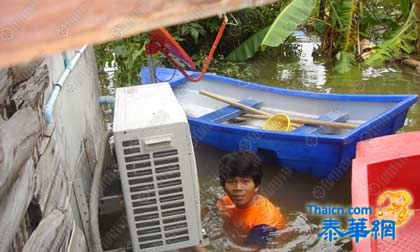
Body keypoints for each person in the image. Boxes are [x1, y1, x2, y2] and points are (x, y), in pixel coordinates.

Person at [217, 151, 286, 248]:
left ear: (257, 185)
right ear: (224, 186)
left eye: (245, 181)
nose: (238, 188)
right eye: (231, 181)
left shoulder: (265, 222)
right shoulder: (226, 200)